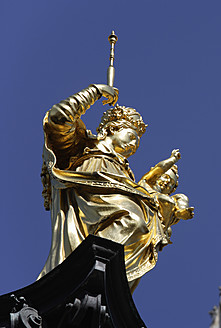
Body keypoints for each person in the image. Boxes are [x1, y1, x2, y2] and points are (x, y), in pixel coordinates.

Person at [40, 84, 189, 292]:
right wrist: (95, 92)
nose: (135, 144)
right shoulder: (82, 149)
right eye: (131, 135)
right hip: (80, 220)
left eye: (138, 141)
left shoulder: (125, 175)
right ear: (112, 129)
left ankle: (108, 286)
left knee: (145, 232)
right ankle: (84, 269)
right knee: (134, 221)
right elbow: (59, 117)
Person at [138, 149, 194, 238]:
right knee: (166, 200)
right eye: (165, 177)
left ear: (172, 190)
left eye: (171, 183)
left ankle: (180, 211)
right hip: (144, 204)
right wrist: (173, 159)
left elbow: (178, 199)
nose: (167, 182)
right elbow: (160, 168)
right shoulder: (148, 182)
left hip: (162, 215)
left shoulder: (170, 200)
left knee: (179, 197)